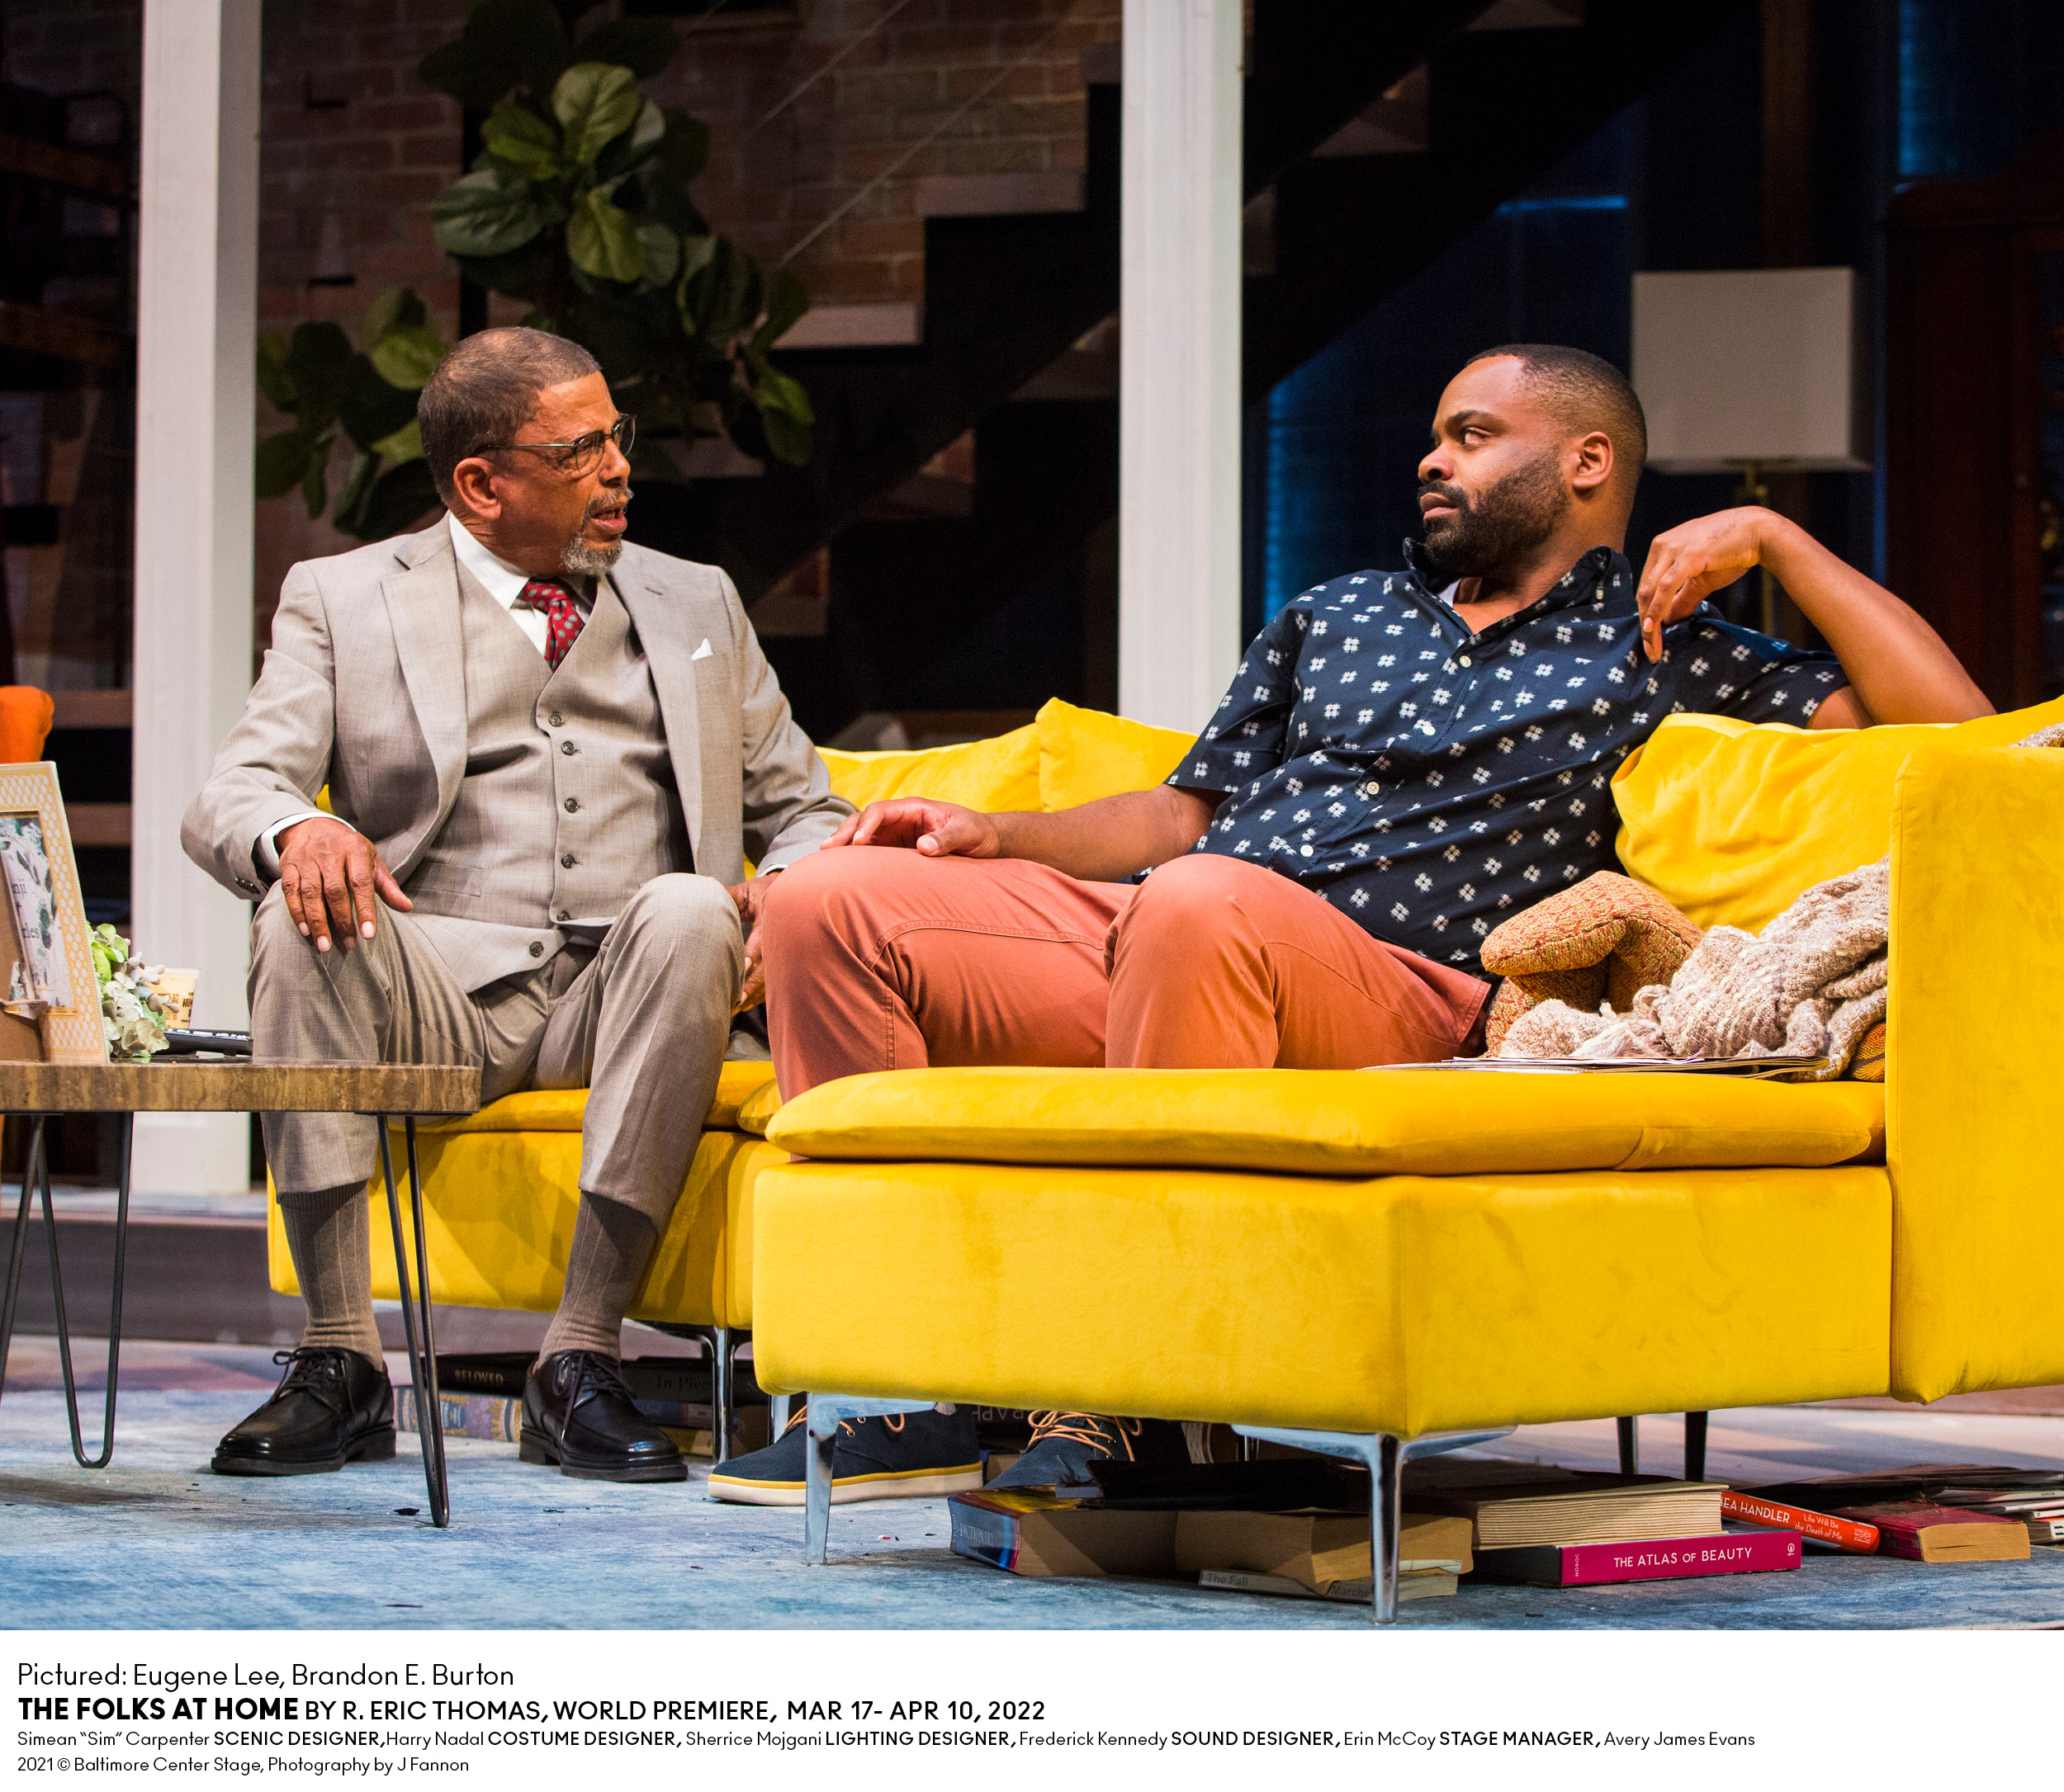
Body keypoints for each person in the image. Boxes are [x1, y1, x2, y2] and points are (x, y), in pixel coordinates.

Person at [707, 341, 1991, 1508]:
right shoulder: (1336, 613)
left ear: (1588, 462)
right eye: (1433, 436)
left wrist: (1777, 538)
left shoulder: (1661, 648)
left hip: (1397, 989)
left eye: (1472, 434)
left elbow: (1965, 734)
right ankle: (892, 1393)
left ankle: (1145, 1400)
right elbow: (1185, 813)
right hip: (1174, 933)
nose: (1433, 458)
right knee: (831, 896)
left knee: (1207, 904)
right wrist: (998, 834)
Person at [182, 328, 850, 1484]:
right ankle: (340, 1359)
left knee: (694, 908)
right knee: (298, 914)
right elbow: (232, 792)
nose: (619, 468)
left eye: (616, 436)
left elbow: (811, 809)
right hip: (437, 989)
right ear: (481, 484)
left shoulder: (694, 601)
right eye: (580, 449)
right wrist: (301, 830)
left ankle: (579, 1359)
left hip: (631, 988)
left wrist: (787, 886)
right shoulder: (343, 598)